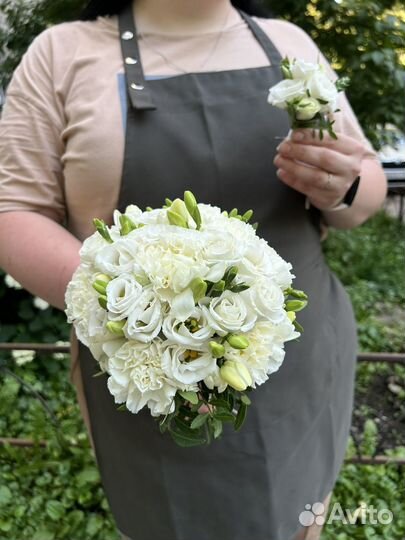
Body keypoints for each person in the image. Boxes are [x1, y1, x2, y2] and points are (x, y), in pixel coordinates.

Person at [0, 1, 387, 539]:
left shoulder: (290, 43)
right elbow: (14, 212)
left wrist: (343, 184)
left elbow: (367, 185)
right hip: (147, 373)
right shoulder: (61, 54)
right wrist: (142, 309)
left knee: (299, 516)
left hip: (300, 357)